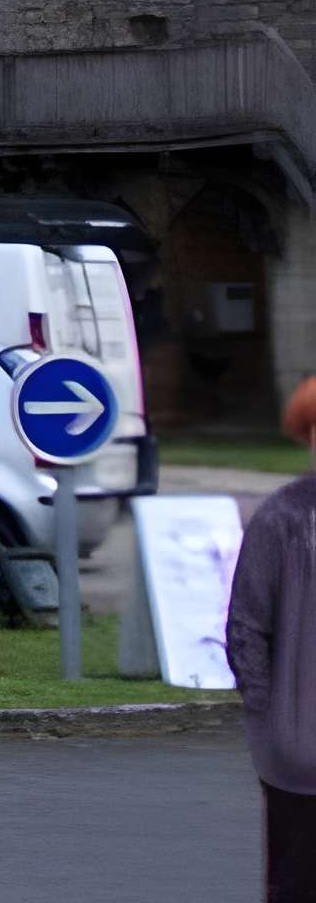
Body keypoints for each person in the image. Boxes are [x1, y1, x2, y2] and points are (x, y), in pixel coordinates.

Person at [232, 375, 316, 899]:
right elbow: (246, 625)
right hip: (300, 752)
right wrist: (272, 717)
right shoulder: (283, 519)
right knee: (297, 881)